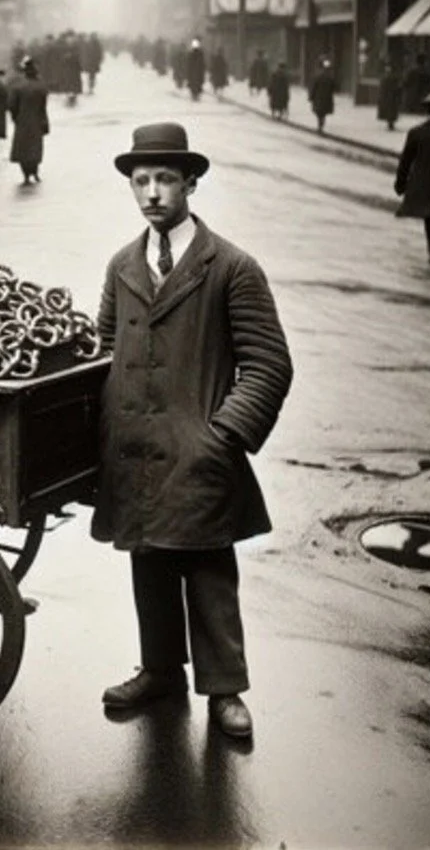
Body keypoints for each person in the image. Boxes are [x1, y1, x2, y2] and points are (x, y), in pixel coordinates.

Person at [93, 121, 293, 739]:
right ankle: (160, 671)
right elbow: (103, 350)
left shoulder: (230, 266)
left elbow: (269, 363)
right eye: (141, 180)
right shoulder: (123, 265)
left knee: (207, 568)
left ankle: (225, 690)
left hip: (201, 448)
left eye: (166, 180)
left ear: (191, 184)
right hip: (135, 450)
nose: (152, 192)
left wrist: (223, 435)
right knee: (147, 561)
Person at [393, 91, 430, 265]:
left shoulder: (417, 133)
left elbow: (405, 161)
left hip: (426, 185)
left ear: (427, 111)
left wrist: (400, 183)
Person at [8, 56, 49, 185]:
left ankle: (25, 174)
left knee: (23, 149)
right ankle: (35, 172)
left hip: (22, 122)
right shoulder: (41, 87)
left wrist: (16, 118)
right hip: (37, 121)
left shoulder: (18, 87)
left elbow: (12, 106)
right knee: (35, 148)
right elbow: (43, 106)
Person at [309, 57, 337, 133]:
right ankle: (321, 125)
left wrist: (311, 97)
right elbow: (334, 88)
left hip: (319, 98)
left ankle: (320, 125)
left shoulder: (318, 76)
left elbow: (313, 87)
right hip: (326, 98)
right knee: (323, 112)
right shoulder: (330, 77)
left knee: (319, 113)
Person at [376, 60, 403, 132]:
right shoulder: (386, 77)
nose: (387, 69)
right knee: (389, 111)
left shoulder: (392, 77)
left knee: (391, 111)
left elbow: (397, 87)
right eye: (387, 68)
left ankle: (391, 123)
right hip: (388, 97)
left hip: (391, 96)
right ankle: (390, 123)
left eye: (389, 68)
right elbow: (382, 87)